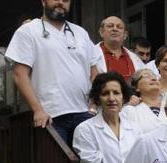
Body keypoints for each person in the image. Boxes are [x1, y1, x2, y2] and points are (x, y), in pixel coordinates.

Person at [6, 0, 101, 144]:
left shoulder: (80, 33)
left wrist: (93, 105)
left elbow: (94, 72)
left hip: (85, 113)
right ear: (43, 1)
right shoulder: (28, 31)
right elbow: (20, 75)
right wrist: (38, 110)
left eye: (66, 0)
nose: (61, 2)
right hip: (50, 117)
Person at [121, 68, 167, 134]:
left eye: (155, 76)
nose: (153, 79)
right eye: (146, 76)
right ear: (136, 87)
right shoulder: (130, 110)